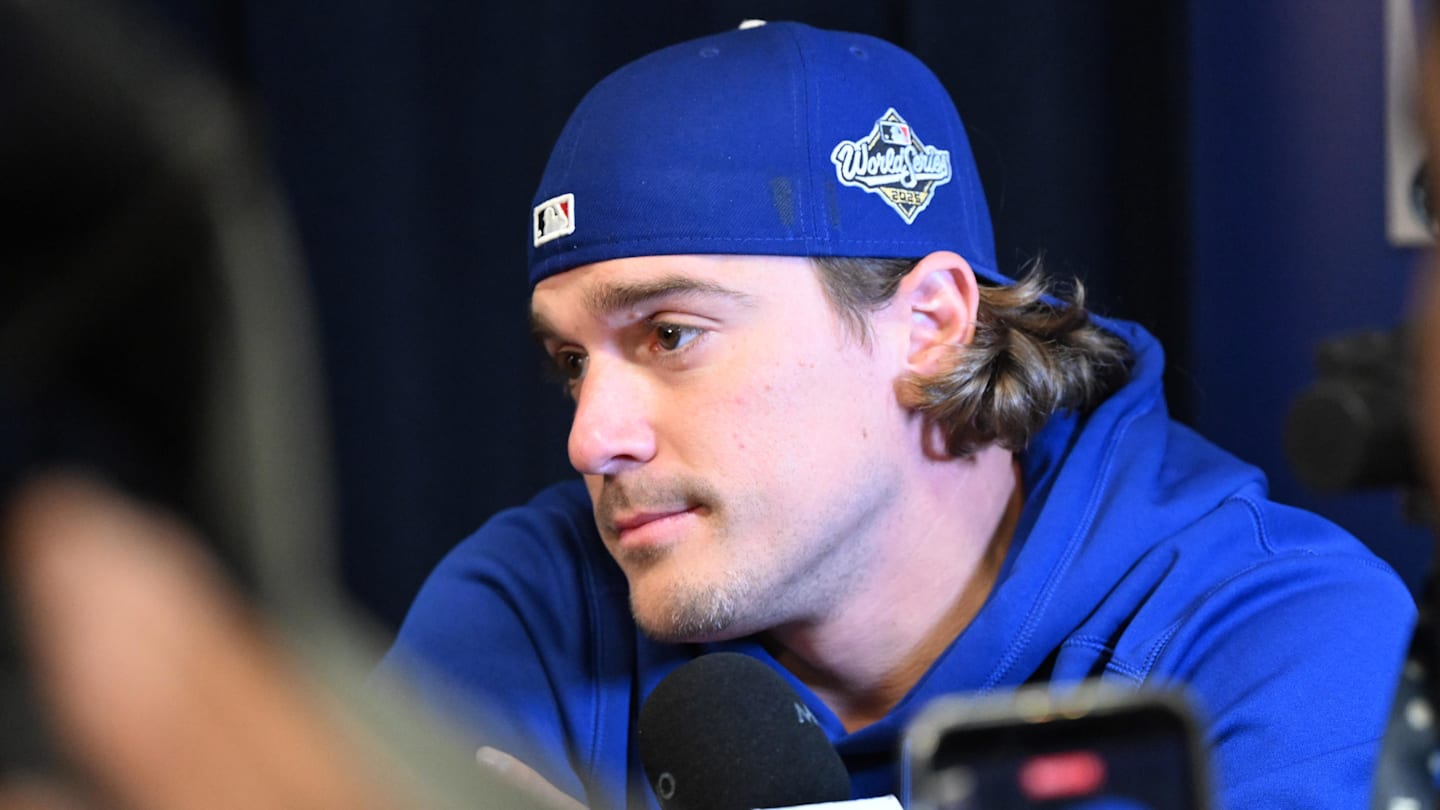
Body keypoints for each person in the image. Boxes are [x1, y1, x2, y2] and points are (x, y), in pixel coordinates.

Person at [376, 20, 1416, 808]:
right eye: (570, 360)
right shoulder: (534, 610)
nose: (590, 438)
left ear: (928, 324)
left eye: (669, 335)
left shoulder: (1270, 631)